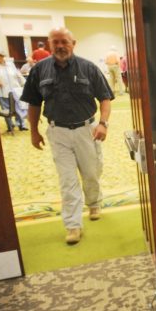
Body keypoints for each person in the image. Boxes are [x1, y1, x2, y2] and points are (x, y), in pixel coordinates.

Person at [21, 27, 114, 245]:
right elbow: (33, 104)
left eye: (65, 41)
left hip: (86, 130)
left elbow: (105, 98)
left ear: (74, 43)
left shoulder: (88, 68)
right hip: (58, 132)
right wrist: (33, 132)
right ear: (49, 43)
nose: (61, 46)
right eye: (56, 42)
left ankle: (94, 202)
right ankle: (73, 225)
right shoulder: (39, 71)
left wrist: (103, 124)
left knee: (91, 172)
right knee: (67, 180)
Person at [0, 47, 27, 132]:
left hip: (15, 90)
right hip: (2, 92)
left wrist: (25, 84)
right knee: (6, 109)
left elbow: (18, 74)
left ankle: (22, 125)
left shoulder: (10, 64)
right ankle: (10, 127)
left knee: (19, 107)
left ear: (3, 56)